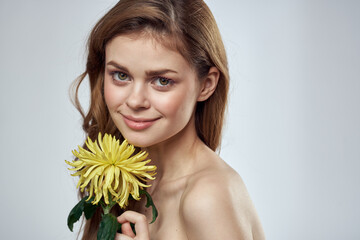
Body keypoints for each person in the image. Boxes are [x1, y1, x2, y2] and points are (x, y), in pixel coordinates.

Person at [71, 0, 265, 239]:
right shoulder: (127, 182)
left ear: (206, 85)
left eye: (162, 80)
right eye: (121, 75)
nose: (135, 101)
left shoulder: (208, 197)